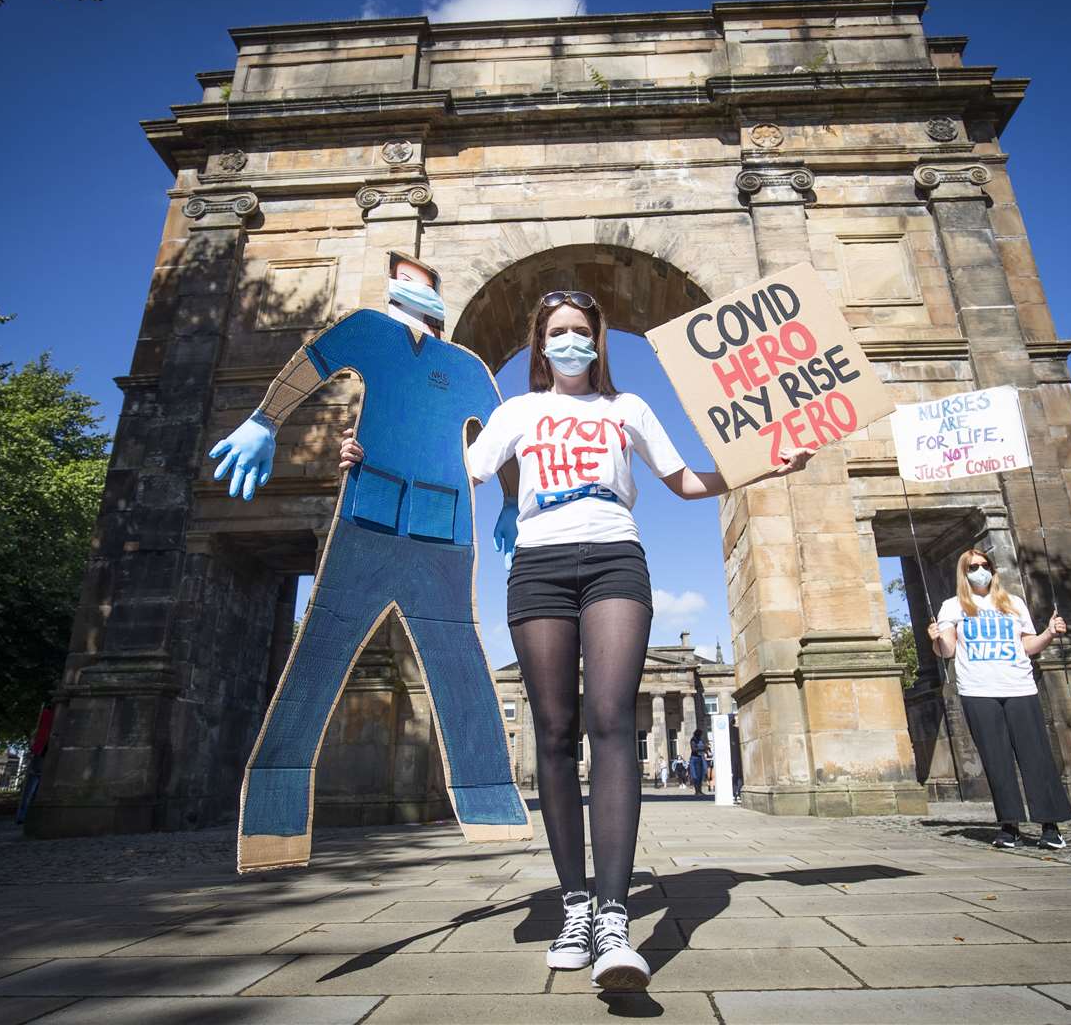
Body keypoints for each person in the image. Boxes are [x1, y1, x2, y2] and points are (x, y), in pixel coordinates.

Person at [345, 288, 813, 989]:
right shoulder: (518, 412)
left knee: (612, 720)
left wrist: (763, 463)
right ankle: (575, 905)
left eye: (582, 332)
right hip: (537, 565)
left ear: (599, 342)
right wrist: (367, 454)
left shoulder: (629, 410)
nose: (571, 343)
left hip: (615, 558)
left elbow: (684, 479)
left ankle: (617, 917)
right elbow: (459, 471)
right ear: (541, 345)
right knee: (556, 732)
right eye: (558, 333)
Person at [209, 252, 531, 872]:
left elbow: (503, 436)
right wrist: (263, 420)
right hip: (367, 516)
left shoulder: (467, 367)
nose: (406, 286)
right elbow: (310, 366)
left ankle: (492, 803)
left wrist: (512, 502)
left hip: (443, 528)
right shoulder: (366, 331)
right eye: (400, 279)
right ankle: (272, 823)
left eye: (416, 279)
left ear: (436, 294)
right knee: (317, 658)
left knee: (460, 659)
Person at [927, 548, 1071, 850]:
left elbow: (1029, 646)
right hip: (978, 689)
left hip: (1019, 686)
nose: (979, 570)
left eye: (984, 565)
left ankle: (1050, 826)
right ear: (963, 573)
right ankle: (1009, 826)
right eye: (972, 567)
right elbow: (948, 651)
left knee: (1037, 757)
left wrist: (1049, 633)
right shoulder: (952, 606)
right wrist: (935, 639)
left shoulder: (1013, 603)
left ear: (993, 569)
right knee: (997, 760)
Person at [688, 729, 708, 797]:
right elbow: (693, 749)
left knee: (700, 776)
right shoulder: (693, 740)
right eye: (700, 734)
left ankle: (700, 790)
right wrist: (703, 748)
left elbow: (704, 747)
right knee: (695, 776)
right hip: (694, 759)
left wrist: (706, 749)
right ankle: (697, 791)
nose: (701, 735)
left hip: (700, 758)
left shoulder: (700, 740)